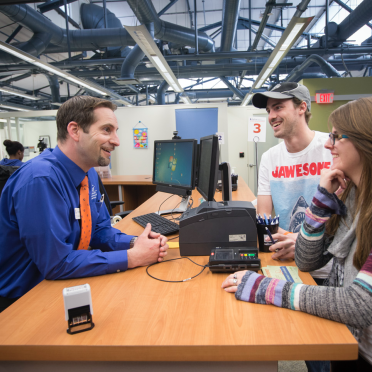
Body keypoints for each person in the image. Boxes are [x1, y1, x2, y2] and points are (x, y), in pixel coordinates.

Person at [222, 97, 372, 371]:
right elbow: (305, 260)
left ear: (364, 141)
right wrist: (322, 199)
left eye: (337, 137)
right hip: (350, 340)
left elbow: (360, 303)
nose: (328, 144)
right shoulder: (351, 198)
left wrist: (264, 288)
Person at [0, 96, 168, 312]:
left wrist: (136, 242)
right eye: (107, 130)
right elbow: (56, 263)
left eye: (115, 131)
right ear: (75, 131)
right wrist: (131, 257)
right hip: (24, 301)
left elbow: (97, 231)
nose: (116, 141)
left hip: (61, 285)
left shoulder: (88, 174)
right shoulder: (41, 180)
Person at [252, 82, 333, 282]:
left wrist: (305, 242)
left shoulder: (331, 148)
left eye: (278, 107)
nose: (271, 116)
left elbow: (347, 216)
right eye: (269, 110)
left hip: (326, 267)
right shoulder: (269, 158)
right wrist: (286, 238)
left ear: (302, 107)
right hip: (285, 262)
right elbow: (263, 216)